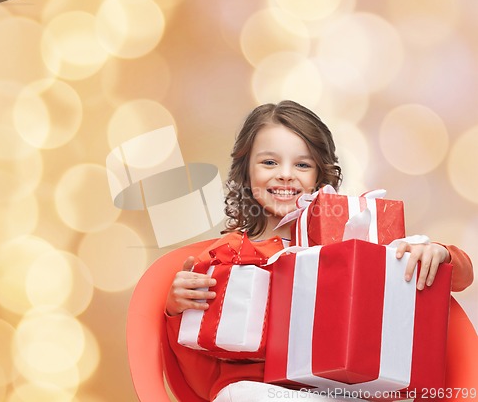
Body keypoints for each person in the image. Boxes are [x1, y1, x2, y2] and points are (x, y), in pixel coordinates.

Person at [164, 100, 474, 402]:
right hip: (253, 391)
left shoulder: (349, 244)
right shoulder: (227, 256)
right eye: (269, 162)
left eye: (302, 164)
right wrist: (177, 309)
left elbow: (457, 279)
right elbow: (200, 376)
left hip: (340, 390)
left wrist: (439, 254)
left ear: (319, 177)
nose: (286, 174)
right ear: (245, 172)